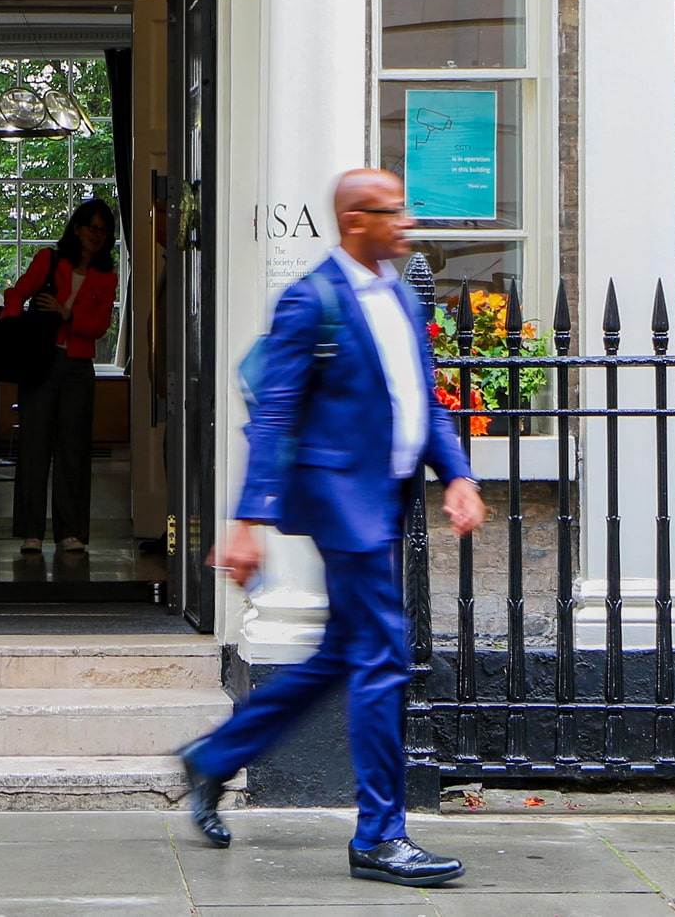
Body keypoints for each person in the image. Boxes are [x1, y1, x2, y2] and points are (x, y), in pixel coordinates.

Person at [177, 168, 486, 887]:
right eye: (390, 211)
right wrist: (247, 522)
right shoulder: (310, 300)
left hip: (386, 498)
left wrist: (460, 475)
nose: (406, 221)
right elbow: (276, 413)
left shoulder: (403, 295)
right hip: (343, 505)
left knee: (342, 655)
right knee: (381, 657)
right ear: (355, 222)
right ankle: (381, 834)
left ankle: (215, 756)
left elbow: (425, 400)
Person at [0, 198, 119, 555]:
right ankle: (31, 531)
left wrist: (65, 312)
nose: (97, 235)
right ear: (78, 228)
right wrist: (13, 324)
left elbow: (99, 327)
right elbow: (16, 292)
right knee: (34, 445)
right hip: (41, 360)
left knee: (74, 449)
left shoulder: (106, 276)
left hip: (79, 367)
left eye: (103, 229)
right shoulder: (49, 260)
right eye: (91, 227)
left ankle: (71, 532)